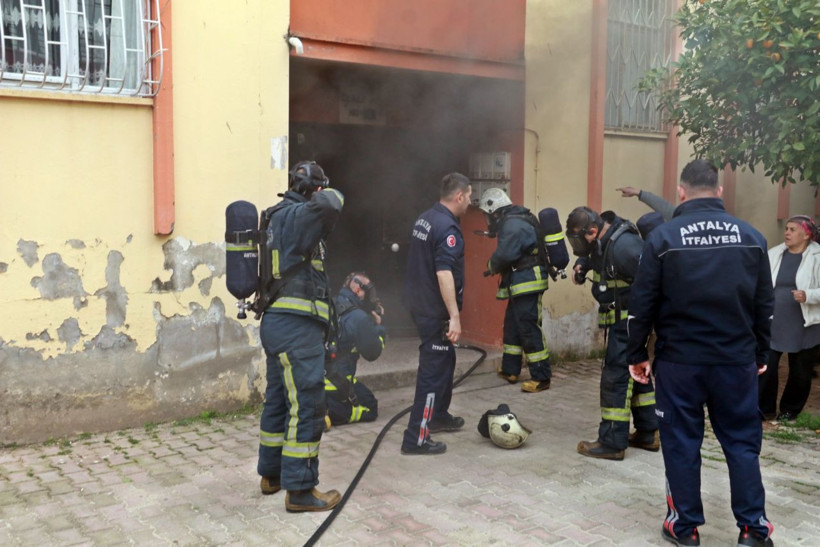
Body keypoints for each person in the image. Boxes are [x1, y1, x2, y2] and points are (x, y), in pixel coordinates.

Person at [627, 159, 775, 547]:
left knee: (681, 443)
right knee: (742, 442)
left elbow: (642, 303)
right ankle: (754, 530)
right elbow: (764, 305)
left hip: (680, 364)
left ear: (681, 192)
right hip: (735, 361)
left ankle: (685, 526)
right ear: (719, 191)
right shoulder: (752, 236)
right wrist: (762, 351)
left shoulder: (663, 238)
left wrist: (636, 351)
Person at [256, 160, 344, 512]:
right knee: (308, 405)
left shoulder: (276, 217)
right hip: (296, 327)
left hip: (276, 323)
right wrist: (324, 191)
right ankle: (302, 490)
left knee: (278, 401)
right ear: (313, 189)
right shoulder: (300, 214)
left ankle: (272, 475)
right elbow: (332, 202)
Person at [565, 206, 658, 460]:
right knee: (634, 375)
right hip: (624, 321)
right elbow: (595, 253)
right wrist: (582, 264)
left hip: (628, 323)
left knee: (615, 378)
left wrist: (644, 327)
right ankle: (648, 433)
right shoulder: (606, 238)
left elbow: (653, 283)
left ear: (592, 230)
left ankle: (612, 442)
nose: (577, 244)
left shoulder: (625, 248)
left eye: (578, 239)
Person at [401, 172, 472, 456]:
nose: (470, 201)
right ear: (459, 196)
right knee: (432, 372)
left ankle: (438, 416)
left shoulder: (426, 217)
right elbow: (444, 273)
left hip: (420, 304)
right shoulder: (448, 229)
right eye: (468, 196)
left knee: (446, 359)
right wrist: (454, 316)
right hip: (434, 310)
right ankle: (416, 438)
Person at [478, 187, 552, 392]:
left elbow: (505, 255)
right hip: (519, 282)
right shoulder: (514, 219)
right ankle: (511, 370)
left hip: (527, 282)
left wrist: (490, 266)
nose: (488, 221)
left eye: (487, 216)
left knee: (528, 328)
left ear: (494, 211)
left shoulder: (512, 224)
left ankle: (542, 377)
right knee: (512, 325)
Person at [759, 215, 820, 422]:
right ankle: (764, 409)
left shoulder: (818, 256)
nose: (787, 233)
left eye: (793, 229)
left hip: (805, 323)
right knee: (767, 366)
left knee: (800, 371)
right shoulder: (774, 254)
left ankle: (789, 411)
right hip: (774, 320)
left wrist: (809, 295)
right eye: (786, 228)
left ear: (806, 234)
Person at [324, 272, 386, 426]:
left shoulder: (329, 305)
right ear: (358, 290)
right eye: (367, 291)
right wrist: (378, 327)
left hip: (316, 377)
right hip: (337, 381)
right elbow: (372, 353)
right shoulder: (359, 318)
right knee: (370, 407)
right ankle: (330, 414)